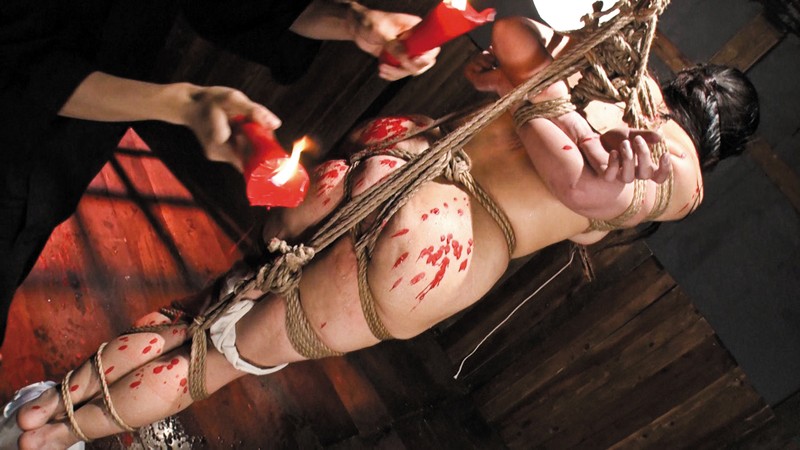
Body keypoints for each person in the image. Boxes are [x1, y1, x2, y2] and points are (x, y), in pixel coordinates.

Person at [2, 16, 759, 449]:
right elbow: (578, 188)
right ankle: (43, 435)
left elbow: (513, 33)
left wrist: (532, 89)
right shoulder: (677, 173)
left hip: (400, 155)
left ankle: (38, 407)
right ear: (721, 143)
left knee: (207, 310)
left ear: (687, 79)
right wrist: (564, 134)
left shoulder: (604, 65)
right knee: (217, 360)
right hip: (441, 245)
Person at [0, 0, 442, 348]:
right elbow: (24, 65)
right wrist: (182, 104)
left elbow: (232, 7)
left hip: (67, 149)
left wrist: (353, 20)